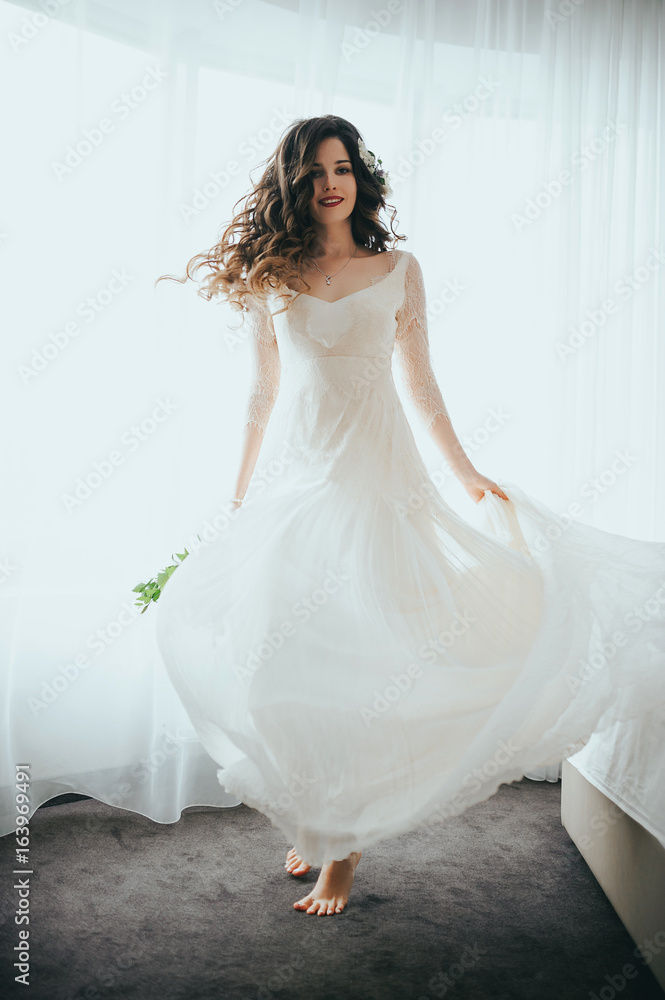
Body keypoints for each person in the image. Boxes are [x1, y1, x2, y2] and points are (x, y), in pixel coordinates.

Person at [154, 115, 665, 916]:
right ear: (295, 183)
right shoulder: (273, 273)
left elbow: (421, 384)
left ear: (360, 178)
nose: (331, 180)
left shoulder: (398, 268)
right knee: (280, 671)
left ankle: (341, 858)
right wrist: (239, 495)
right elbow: (260, 394)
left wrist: (465, 475)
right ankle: (322, 822)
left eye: (343, 166)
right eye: (316, 169)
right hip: (300, 482)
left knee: (363, 673)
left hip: (377, 482)